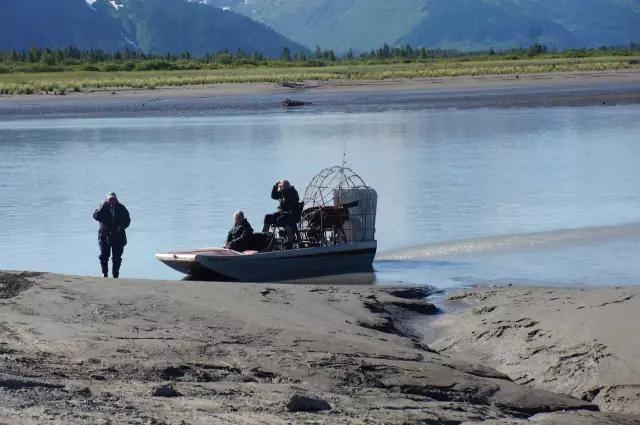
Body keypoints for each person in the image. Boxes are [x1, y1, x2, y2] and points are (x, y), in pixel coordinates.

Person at [93, 192, 131, 278]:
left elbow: (127, 221)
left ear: (116, 199)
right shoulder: (102, 207)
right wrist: (103, 206)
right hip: (104, 235)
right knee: (104, 255)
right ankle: (104, 273)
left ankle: (115, 275)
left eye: (113, 199)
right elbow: (96, 216)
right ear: (106, 200)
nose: (112, 201)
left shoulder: (121, 208)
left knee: (117, 258)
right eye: (110, 199)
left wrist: (121, 227)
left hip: (118, 236)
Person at [262, 180, 300, 247]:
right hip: (281, 214)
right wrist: (275, 186)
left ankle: (290, 240)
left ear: (286, 185)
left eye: (282, 186)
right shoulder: (283, 192)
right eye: (281, 187)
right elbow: (274, 196)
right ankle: (263, 238)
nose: (281, 188)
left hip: (290, 215)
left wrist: (285, 191)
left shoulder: (293, 192)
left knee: (281, 220)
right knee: (267, 217)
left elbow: (292, 202)